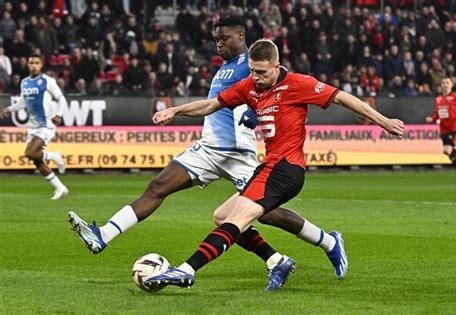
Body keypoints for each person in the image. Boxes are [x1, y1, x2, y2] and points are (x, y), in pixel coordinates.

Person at [68, 16, 349, 291]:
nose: (219, 44)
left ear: (241, 37)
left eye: (224, 38)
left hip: (238, 152)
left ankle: (327, 241)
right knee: (157, 187)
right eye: (216, 39)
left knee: (264, 214)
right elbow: (213, 104)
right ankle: (104, 234)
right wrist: (175, 111)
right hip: (208, 147)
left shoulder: (250, 64)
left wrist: (253, 114)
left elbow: (275, 88)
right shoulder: (226, 67)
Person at [144, 39, 405, 291]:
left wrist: (383, 121)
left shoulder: (298, 84)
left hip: (286, 170)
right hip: (268, 167)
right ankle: (324, 243)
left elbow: (342, 98)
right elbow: (211, 105)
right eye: (252, 71)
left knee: (235, 220)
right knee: (221, 216)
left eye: (261, 72)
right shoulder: (249, 86)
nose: (256, 77)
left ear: (276, 66)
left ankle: (187, 270)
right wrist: (175, 111)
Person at [0, 53, 68, 200]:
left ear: (41, 65)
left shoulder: (47, 81)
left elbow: (62, 99)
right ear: (28, 65)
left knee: (30, 153)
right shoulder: (24, 82)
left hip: (46, 124)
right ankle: (60, 188)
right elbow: (23, 102)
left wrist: (59, 114)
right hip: (32, 126)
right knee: (36, 160)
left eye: (36, 63)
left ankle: (55, 156)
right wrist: (8, 109)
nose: (33, 66)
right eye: (31, 63)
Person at [426, 77, 456, 184]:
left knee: (448, 150)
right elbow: (438, 114)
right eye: (443, 83)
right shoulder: (438, 99)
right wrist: (432, 119)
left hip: (454, 127)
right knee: (447, 152)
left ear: (451, 85)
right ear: (441, 85)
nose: (445, 84)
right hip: (443, 128)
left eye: (447, 83)